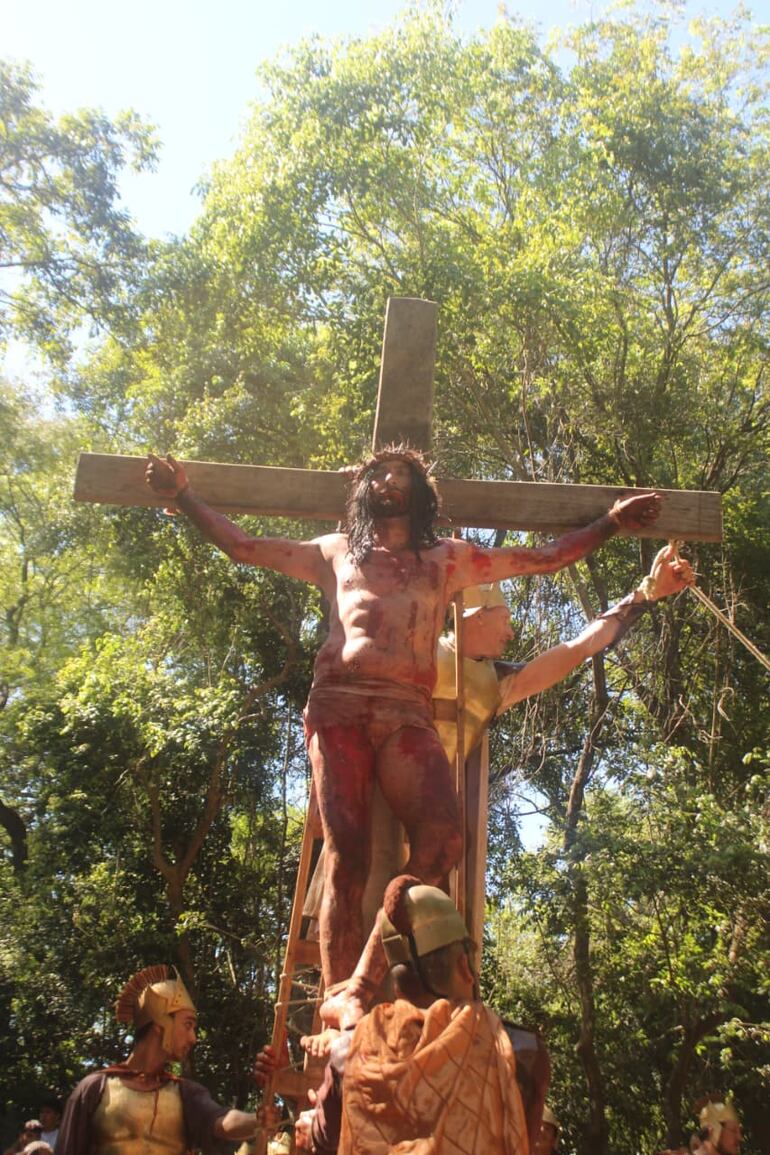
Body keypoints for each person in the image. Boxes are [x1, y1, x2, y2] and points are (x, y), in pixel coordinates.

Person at [146, 446, 661, 993]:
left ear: (422, 495)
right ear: (363, 490)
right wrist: (183, 495)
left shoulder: (447, 560)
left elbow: (545, 557)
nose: (390, 479)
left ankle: (363, 980)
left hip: (404, 710)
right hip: (339, 703)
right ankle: (336, 1003)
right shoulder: (336, 552)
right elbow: (244, 547)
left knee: (443, 843)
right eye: (379, 472)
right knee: (348, 854)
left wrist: (611, 523)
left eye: (403, 473)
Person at [263, 874, 538, 1155]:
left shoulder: (349, 1053)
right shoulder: (522, 1051)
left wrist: (313, 1131)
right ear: (465, 965)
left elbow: (324, 1141)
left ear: (395, 985)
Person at [57, 965, 277, 1154]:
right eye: (188, 1025)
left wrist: (255, 1120)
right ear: (160, 1025)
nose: (193, 1038)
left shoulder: (185, 1094)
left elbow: (221, 1121)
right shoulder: (94, 1090)